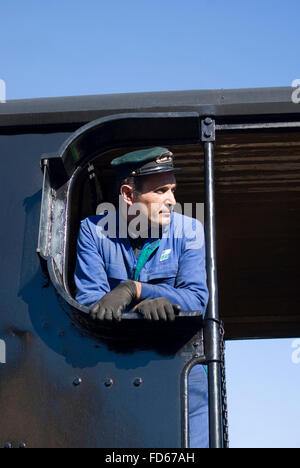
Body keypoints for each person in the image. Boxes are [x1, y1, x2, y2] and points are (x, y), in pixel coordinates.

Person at [74, 147, 209, 448]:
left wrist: (136, 291)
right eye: (161, 191)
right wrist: (141, 305)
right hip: (115, 370)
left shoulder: (190, 231)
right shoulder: (93, 232)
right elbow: (92, 303)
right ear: (127, 194)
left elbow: (197, 298)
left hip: (179, 372)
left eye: (173, 190)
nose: (172, 201)